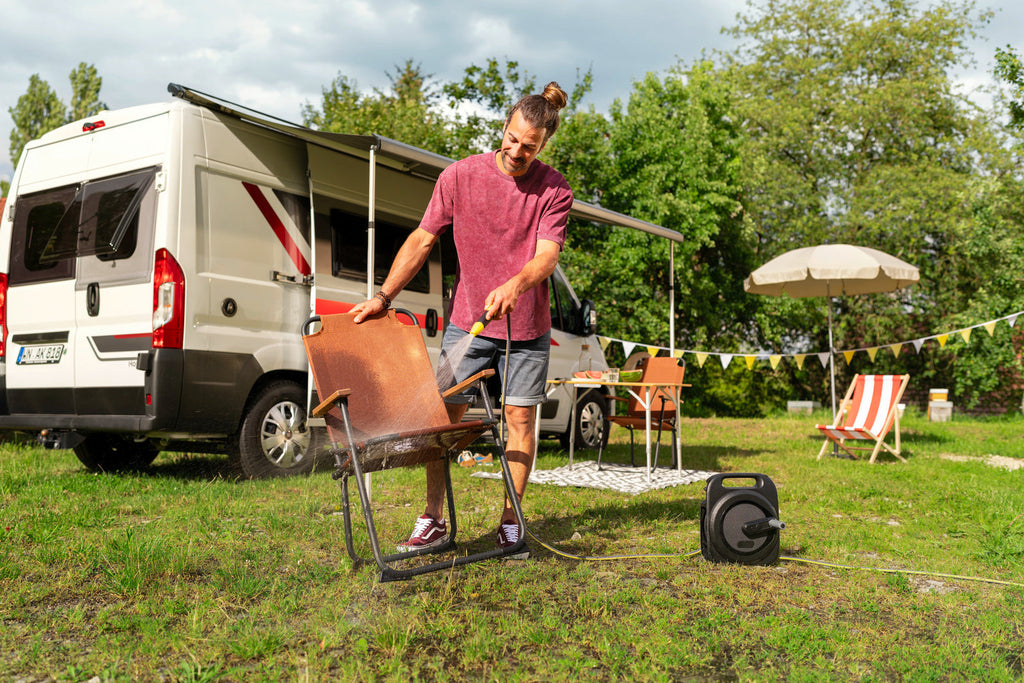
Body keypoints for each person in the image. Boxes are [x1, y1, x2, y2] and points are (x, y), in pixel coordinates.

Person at [349, 82, 573, 559]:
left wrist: (515, 285)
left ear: (544, 144)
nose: (516, 151)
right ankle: (432, 519)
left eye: (529, 146)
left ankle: (511, 521)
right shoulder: (459, 176)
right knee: (441, 421)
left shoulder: (555, 189)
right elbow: (422, 239)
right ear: (505, 126)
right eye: (512, 138)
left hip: (526, 330)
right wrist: (385, 296)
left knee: (519, 420)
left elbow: (547, 256)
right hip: (466, 323)